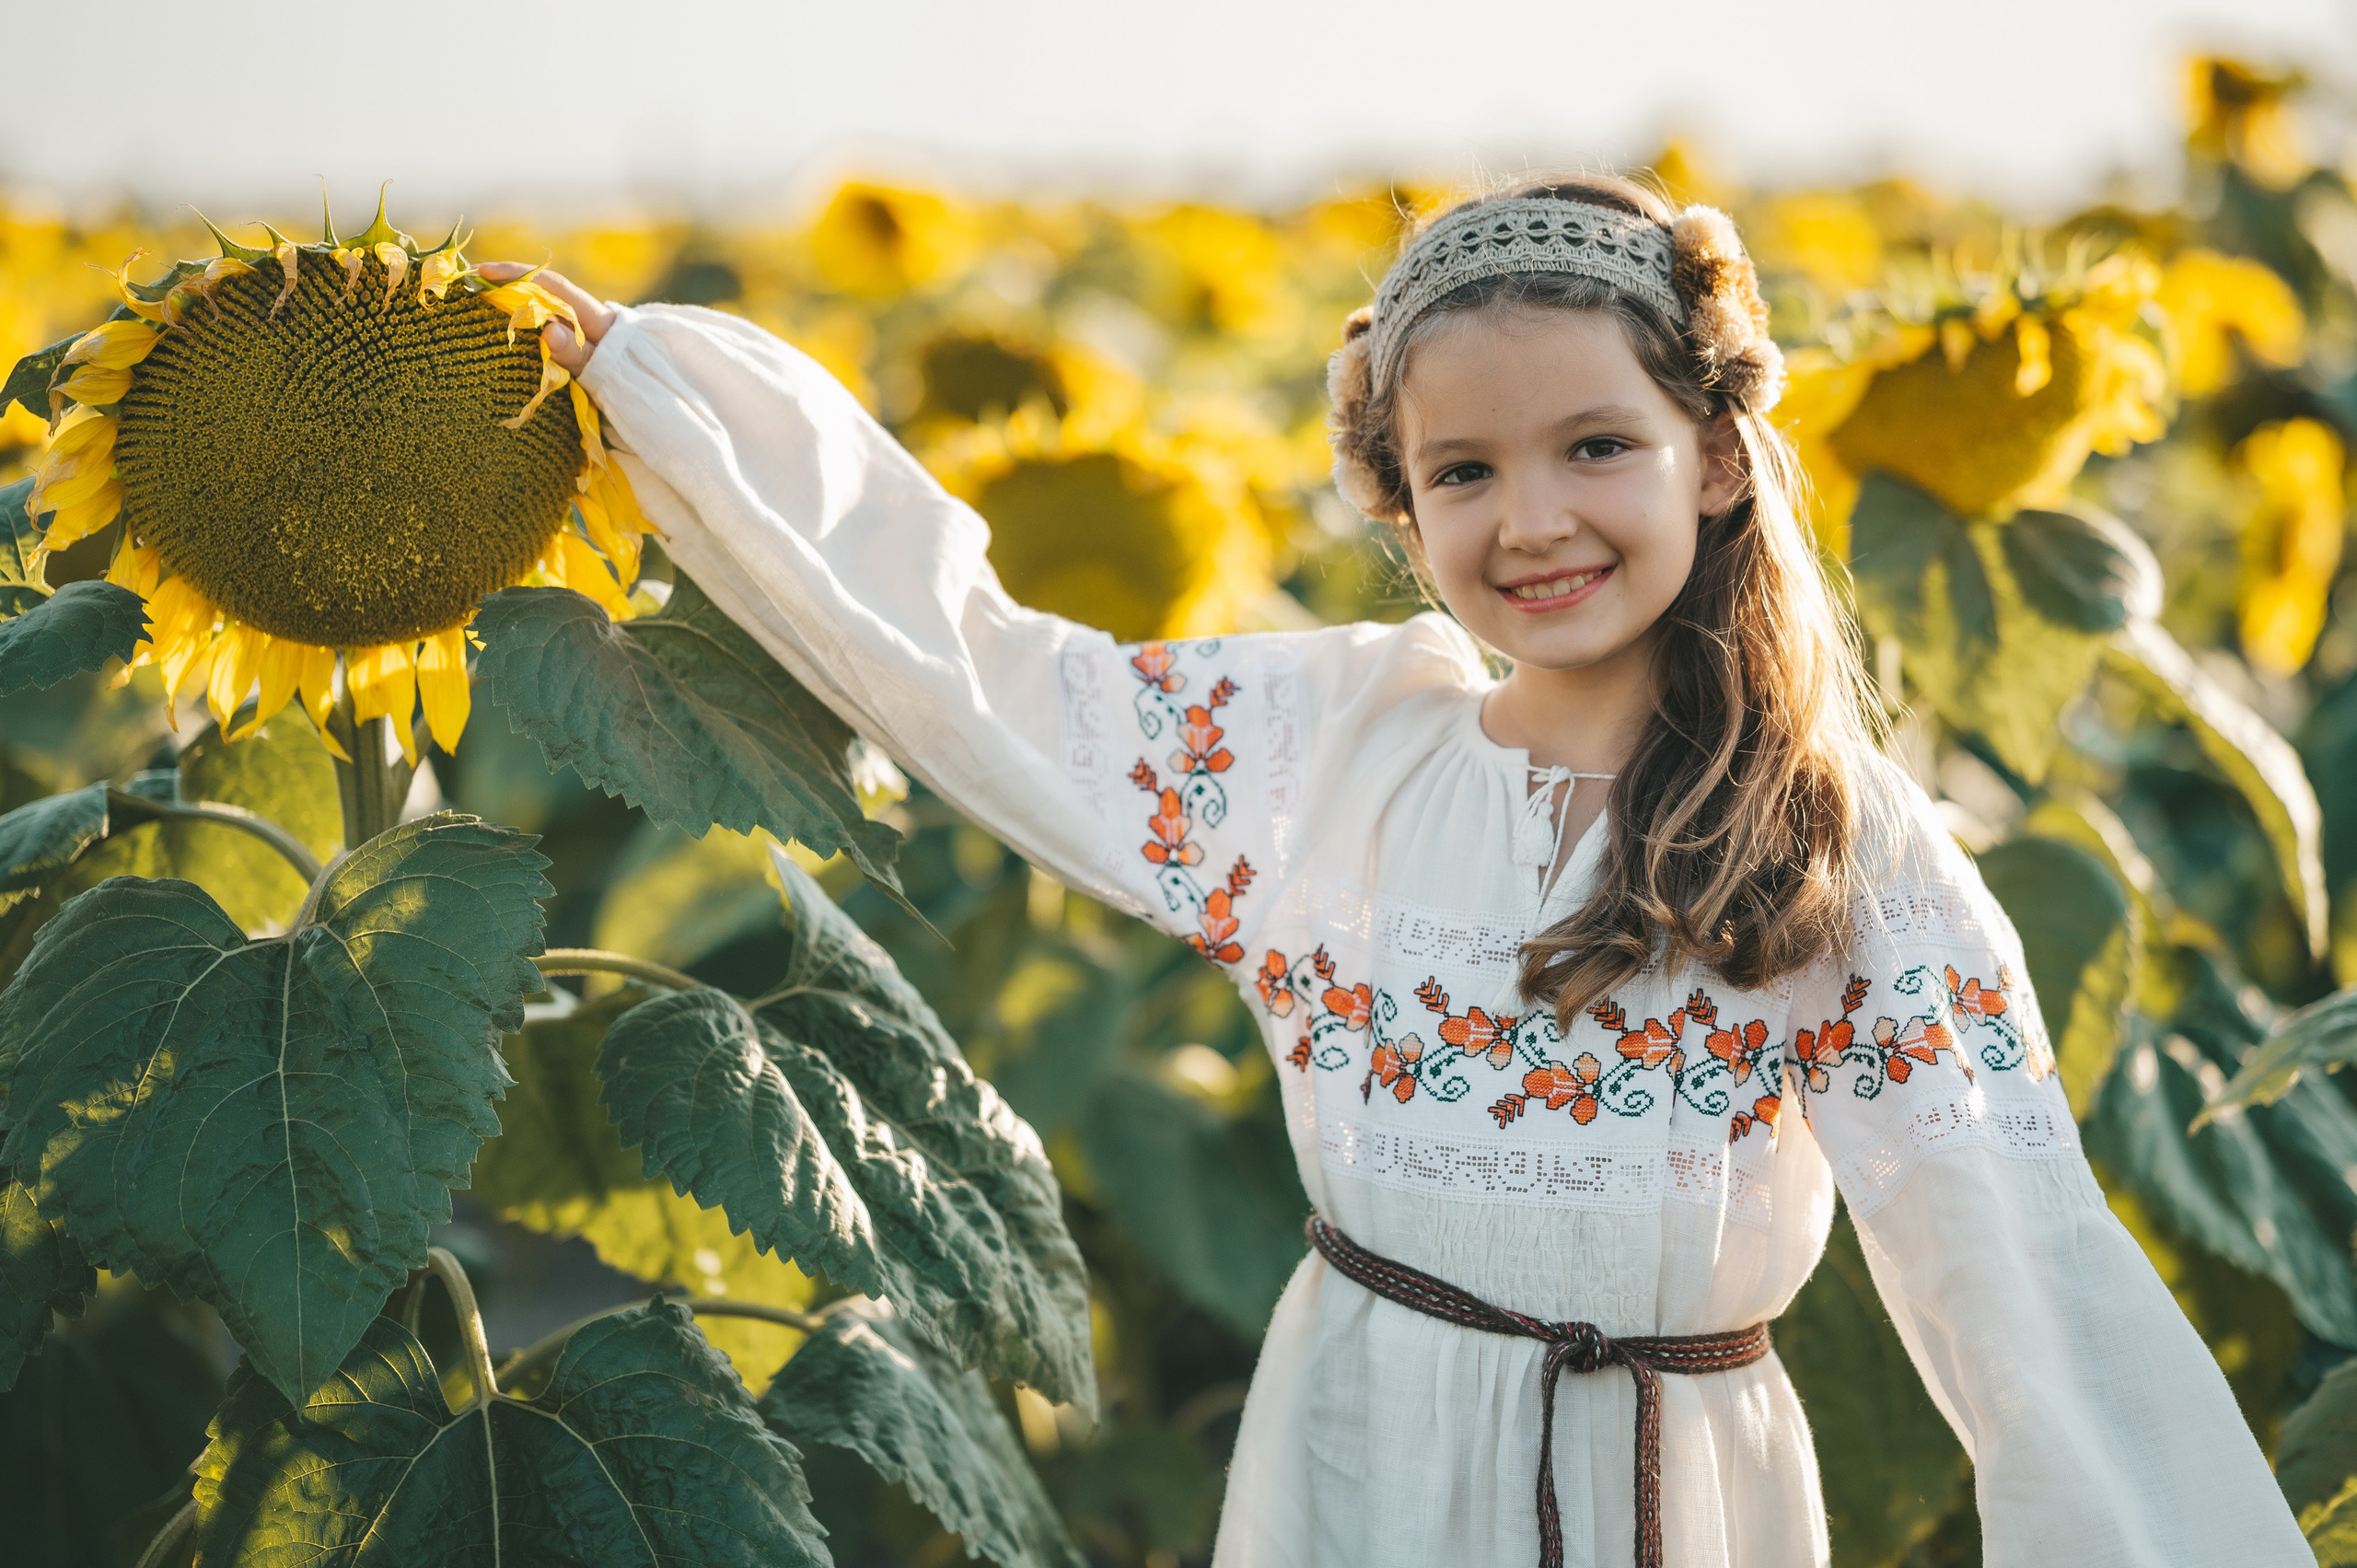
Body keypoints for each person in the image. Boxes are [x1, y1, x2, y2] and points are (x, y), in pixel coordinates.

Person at [498, 173, 2308, 1567]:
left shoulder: (1818, 829)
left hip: (1661, 1487)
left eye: (1593, 445)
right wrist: (669, 389)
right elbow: (992, 675)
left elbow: (2006, 1254)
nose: (1528, 518)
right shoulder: (1335, 751)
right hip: (1357, 1434)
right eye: (1461, 470)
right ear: (1397, 498)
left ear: (1714, 459)